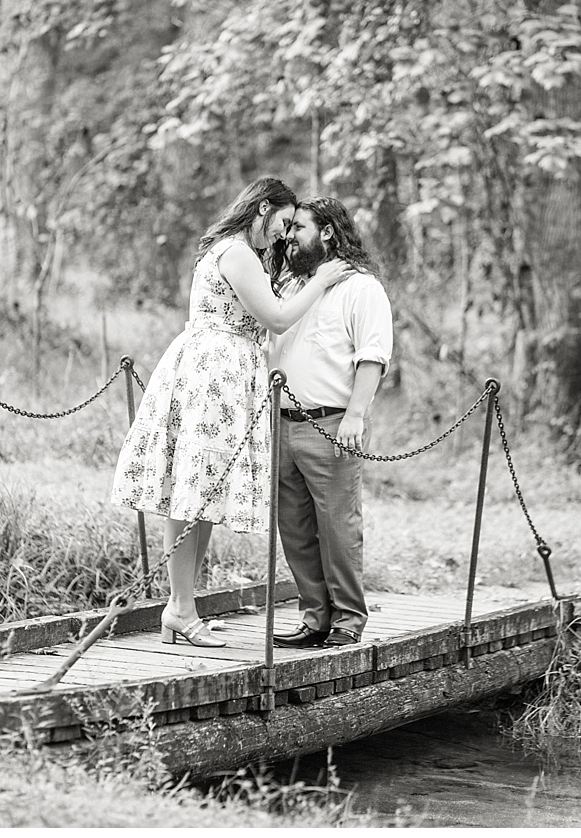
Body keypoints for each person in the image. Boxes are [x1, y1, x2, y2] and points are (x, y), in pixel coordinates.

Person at [111, 177, 352, 648]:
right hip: (214, 373)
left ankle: (184, 607)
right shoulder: (237, 252)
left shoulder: (239, 252)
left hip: (226, 371)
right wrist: (322, 279)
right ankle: (179, 608)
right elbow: (278, 318)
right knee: (192, 493)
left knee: (202, 493)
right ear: (264, 208)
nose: (284, 233)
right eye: (284, 221)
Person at [269, 197, 393, 649]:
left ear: (326, 232)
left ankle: (347, 619)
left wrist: (356, 414)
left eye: (299, 227)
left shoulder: (362, 288)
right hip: (280, 422)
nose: (289, 236)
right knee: (295, 527)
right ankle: (314, 616)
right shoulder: (286, 286)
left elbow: (372, 355)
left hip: (332, 423)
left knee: (338, 527)